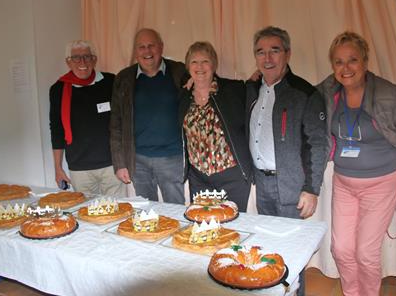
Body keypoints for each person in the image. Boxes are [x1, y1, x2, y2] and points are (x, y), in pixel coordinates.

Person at [317, 31, 396, 296]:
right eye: (339, 62)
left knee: (365, 251)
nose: (346, 68)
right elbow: (299, 95)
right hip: (344, 181)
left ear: (365, 61)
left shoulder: (391, 95)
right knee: (340, 248)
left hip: (381, 183)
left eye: (352, 60)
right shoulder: (328, 92)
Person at [246, 26, 327, 296]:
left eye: (275, 50)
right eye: (261, 51)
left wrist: (312, 189)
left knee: (293, 253)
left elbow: (318, 143)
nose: (267, 58)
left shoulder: (304, 93)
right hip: (263, 185)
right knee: (270, 252)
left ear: (288, 54)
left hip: (292, 188)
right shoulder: (251, 89)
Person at [110, 28, 186, 204]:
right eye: (141, 47)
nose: (147, 51)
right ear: (136, 51)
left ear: (161, 47)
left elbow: (204, 82)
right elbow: (116, 124)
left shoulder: (179, 71)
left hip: (172, 158)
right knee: (146, 212)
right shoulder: (124, 78)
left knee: (174, 210)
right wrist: (120, 162)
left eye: (151, 45)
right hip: (138, 160)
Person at [178, 41, 252, 212]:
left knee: (233, 227)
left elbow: (255, 90)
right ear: (188, 67)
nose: (200, 67)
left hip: (231, 177)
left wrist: (258, 76)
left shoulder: (233, 90)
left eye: (205, 61)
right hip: (198, 178)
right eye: (194, 62)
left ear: (214, 65)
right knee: (203, 226)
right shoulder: (183, 96)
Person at [49, 40, 126, 197]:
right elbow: (57, 130)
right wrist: (58, 168)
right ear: (68, 62)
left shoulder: (111, 82)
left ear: (94, 59)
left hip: (112, 165)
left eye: (87, 57)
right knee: (85, 213)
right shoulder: (58, 89)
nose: (82, 62)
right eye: (76, 58)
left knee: (119, 211)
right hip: (80, 168)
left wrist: (124, 161)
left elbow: (123, 121)